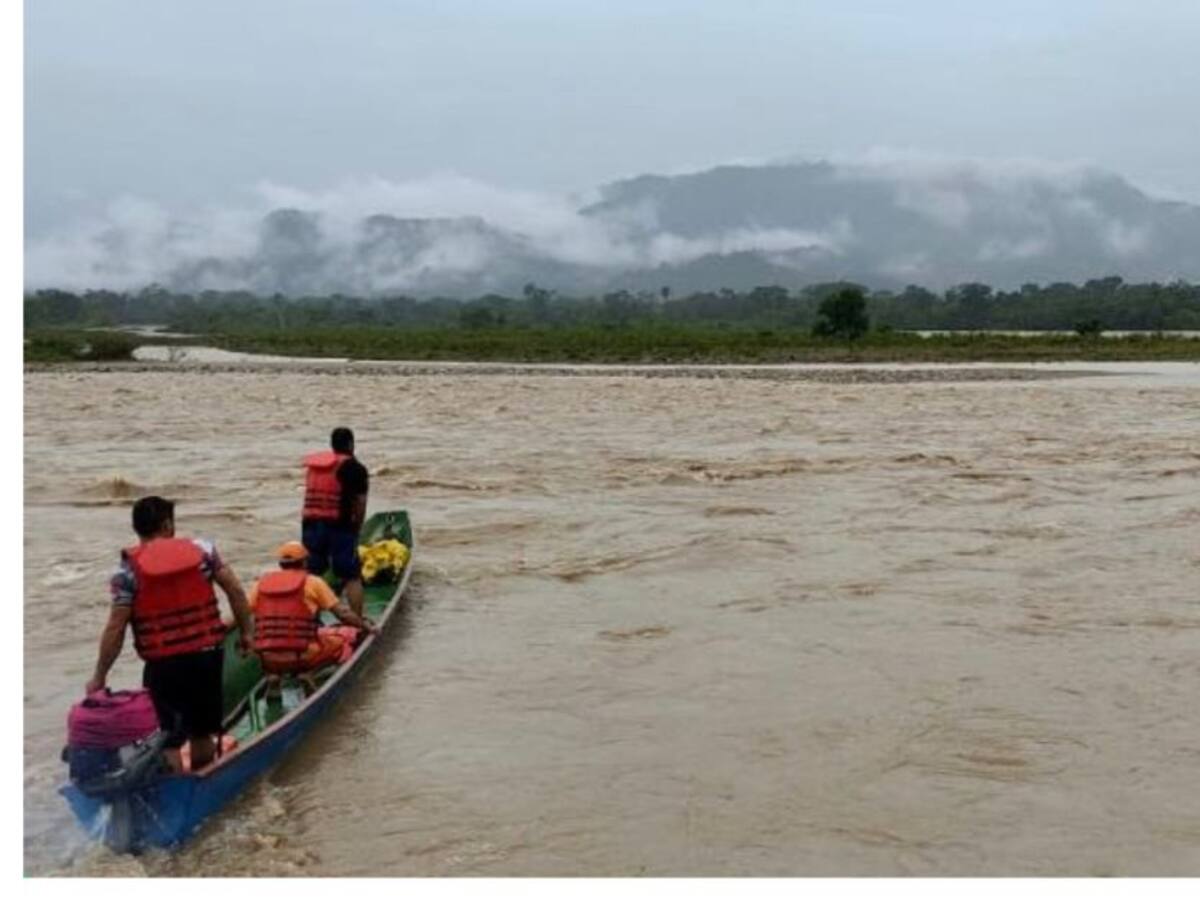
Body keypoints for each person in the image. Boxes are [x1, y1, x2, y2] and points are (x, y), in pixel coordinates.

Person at [87, 496, 254, 772]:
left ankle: (177, 787)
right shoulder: (204, 551)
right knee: (202, 732)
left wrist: (99, 676)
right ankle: (203, 777)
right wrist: (247, 633)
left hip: (163, 663)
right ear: (167, 525)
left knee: (170, 739)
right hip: (207, 656)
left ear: (137, 529)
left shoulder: (126, 571)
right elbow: (235, 591)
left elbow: (116, 628)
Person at [248, 541, 377, 683]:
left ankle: (274, 677)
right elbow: (343, 614)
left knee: (278, 649)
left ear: (280, 564)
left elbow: (240, 614)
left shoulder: (260, 584)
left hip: (267, 658)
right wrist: (365, 627)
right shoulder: (313, 582)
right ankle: (309, 673)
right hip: (303, 655)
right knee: (345, 642)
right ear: (304, 563)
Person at [301, 427, 369, 615]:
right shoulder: (355, 468)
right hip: (340, 527)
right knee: (351, 577)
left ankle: (309, 620)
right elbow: (360, 503)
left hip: (311, 526)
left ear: (332, 445)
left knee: (310, 576)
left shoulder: (315, 467)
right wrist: (358, 528)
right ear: (351, 444)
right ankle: (357, 622)